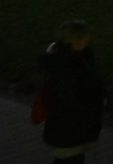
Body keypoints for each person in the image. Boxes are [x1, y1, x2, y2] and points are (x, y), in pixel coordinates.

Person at [38, 19, 105, 163]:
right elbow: (72, 97)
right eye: (86, 36)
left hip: (73, 126)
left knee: (72, 158)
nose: (89, 39)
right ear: (78, 39)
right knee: (69, 159)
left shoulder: (79, 55)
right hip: (69, 127)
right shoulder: (65, 65)